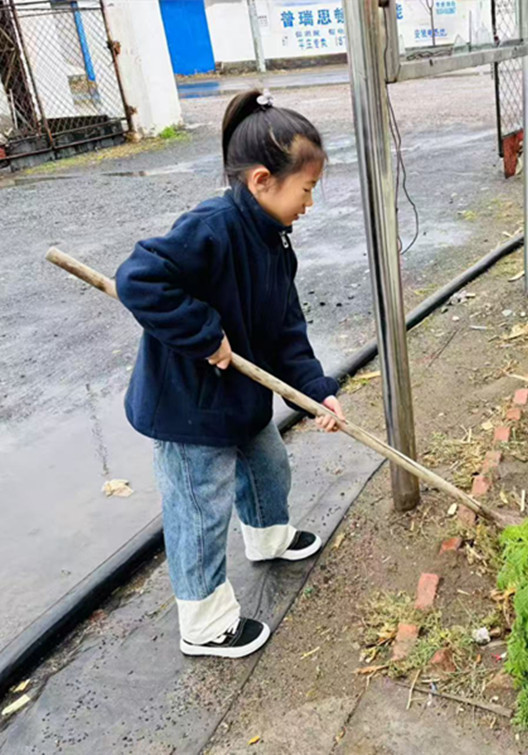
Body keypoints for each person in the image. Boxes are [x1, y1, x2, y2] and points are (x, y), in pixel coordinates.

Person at [115, 89, 344, 659]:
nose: (310, 203)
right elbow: (139, 278)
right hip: (188, 406)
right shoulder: (211, 227)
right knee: (200, 508)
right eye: (307, 189)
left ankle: (268, 537)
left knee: (268, 467)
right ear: (262, 180)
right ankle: (204, 621)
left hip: (240, 395)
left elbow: (286, 327)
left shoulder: (273, 241)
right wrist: (203, 331)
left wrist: (316, 392)